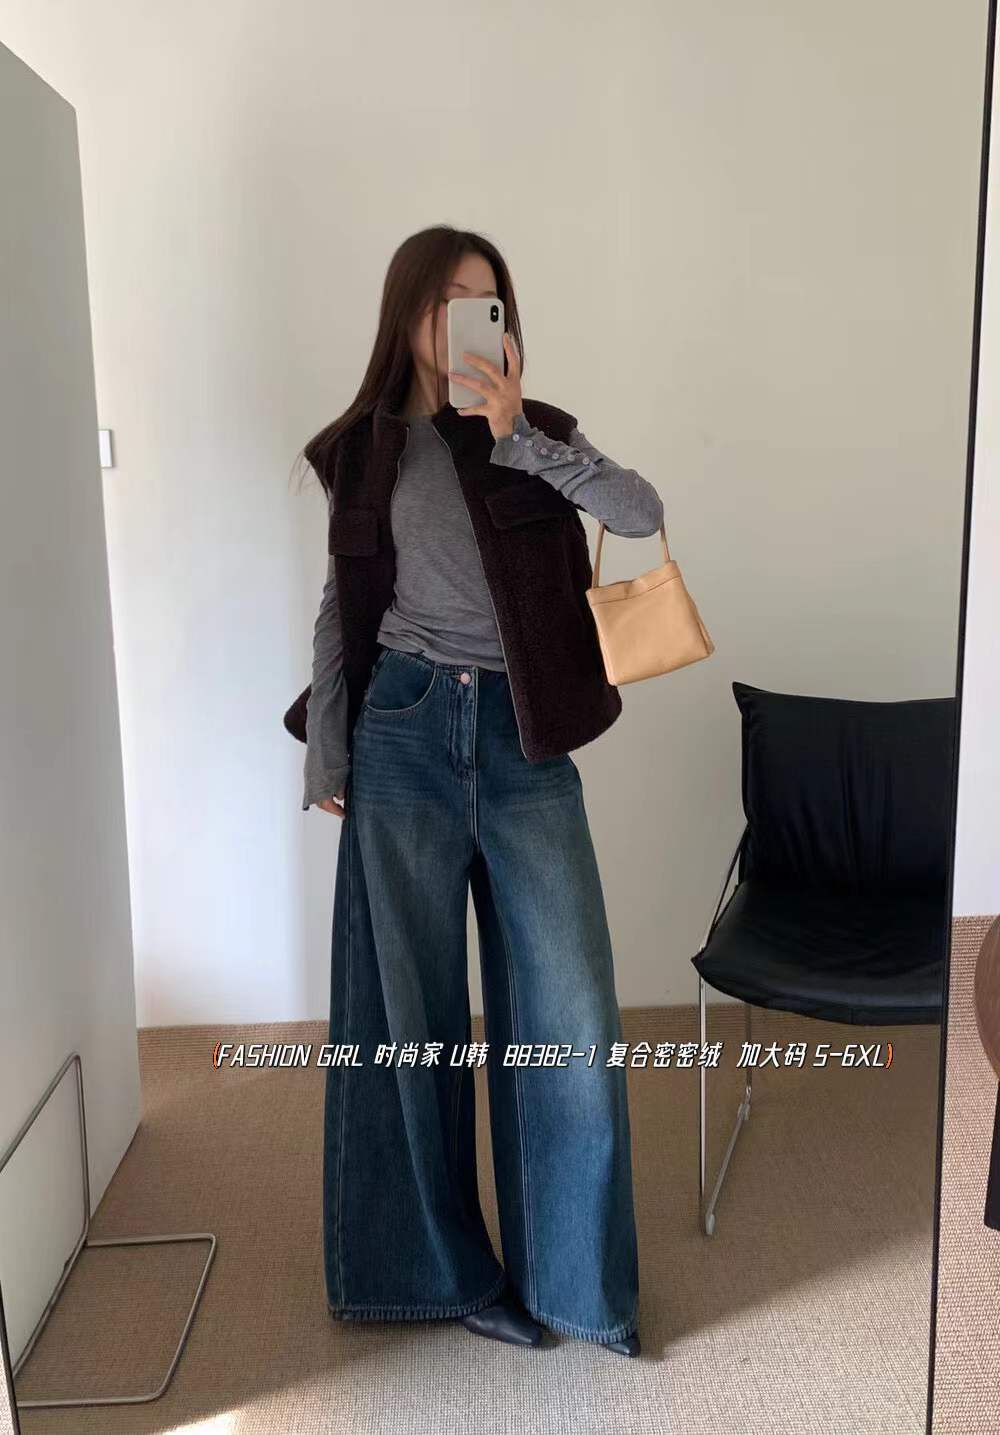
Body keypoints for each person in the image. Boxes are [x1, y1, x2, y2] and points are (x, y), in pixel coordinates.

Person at [297, 225, 663, 1356]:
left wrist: (519, 440)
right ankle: (440, 1273)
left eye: (488, 301)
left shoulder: (536, 430)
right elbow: (340, 608)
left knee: (569, 1013)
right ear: (409, 313)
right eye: (450, 300)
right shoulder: (362, 450)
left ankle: (576, 1286)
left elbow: (640, 511)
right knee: (402, 1017)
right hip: (403, 731)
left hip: (522, 739)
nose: (468, 318)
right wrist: (328, 753)